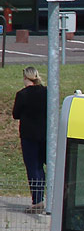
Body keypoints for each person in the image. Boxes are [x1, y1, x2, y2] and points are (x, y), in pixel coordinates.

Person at [12, 66, 48, 214]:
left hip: (29, 136)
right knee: (44, 166)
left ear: (25, 78)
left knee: (33, 167)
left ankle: (37, 199)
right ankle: (50, 197)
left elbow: (16, 114)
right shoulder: (46, 92)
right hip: (45, 134)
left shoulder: (22, 95)